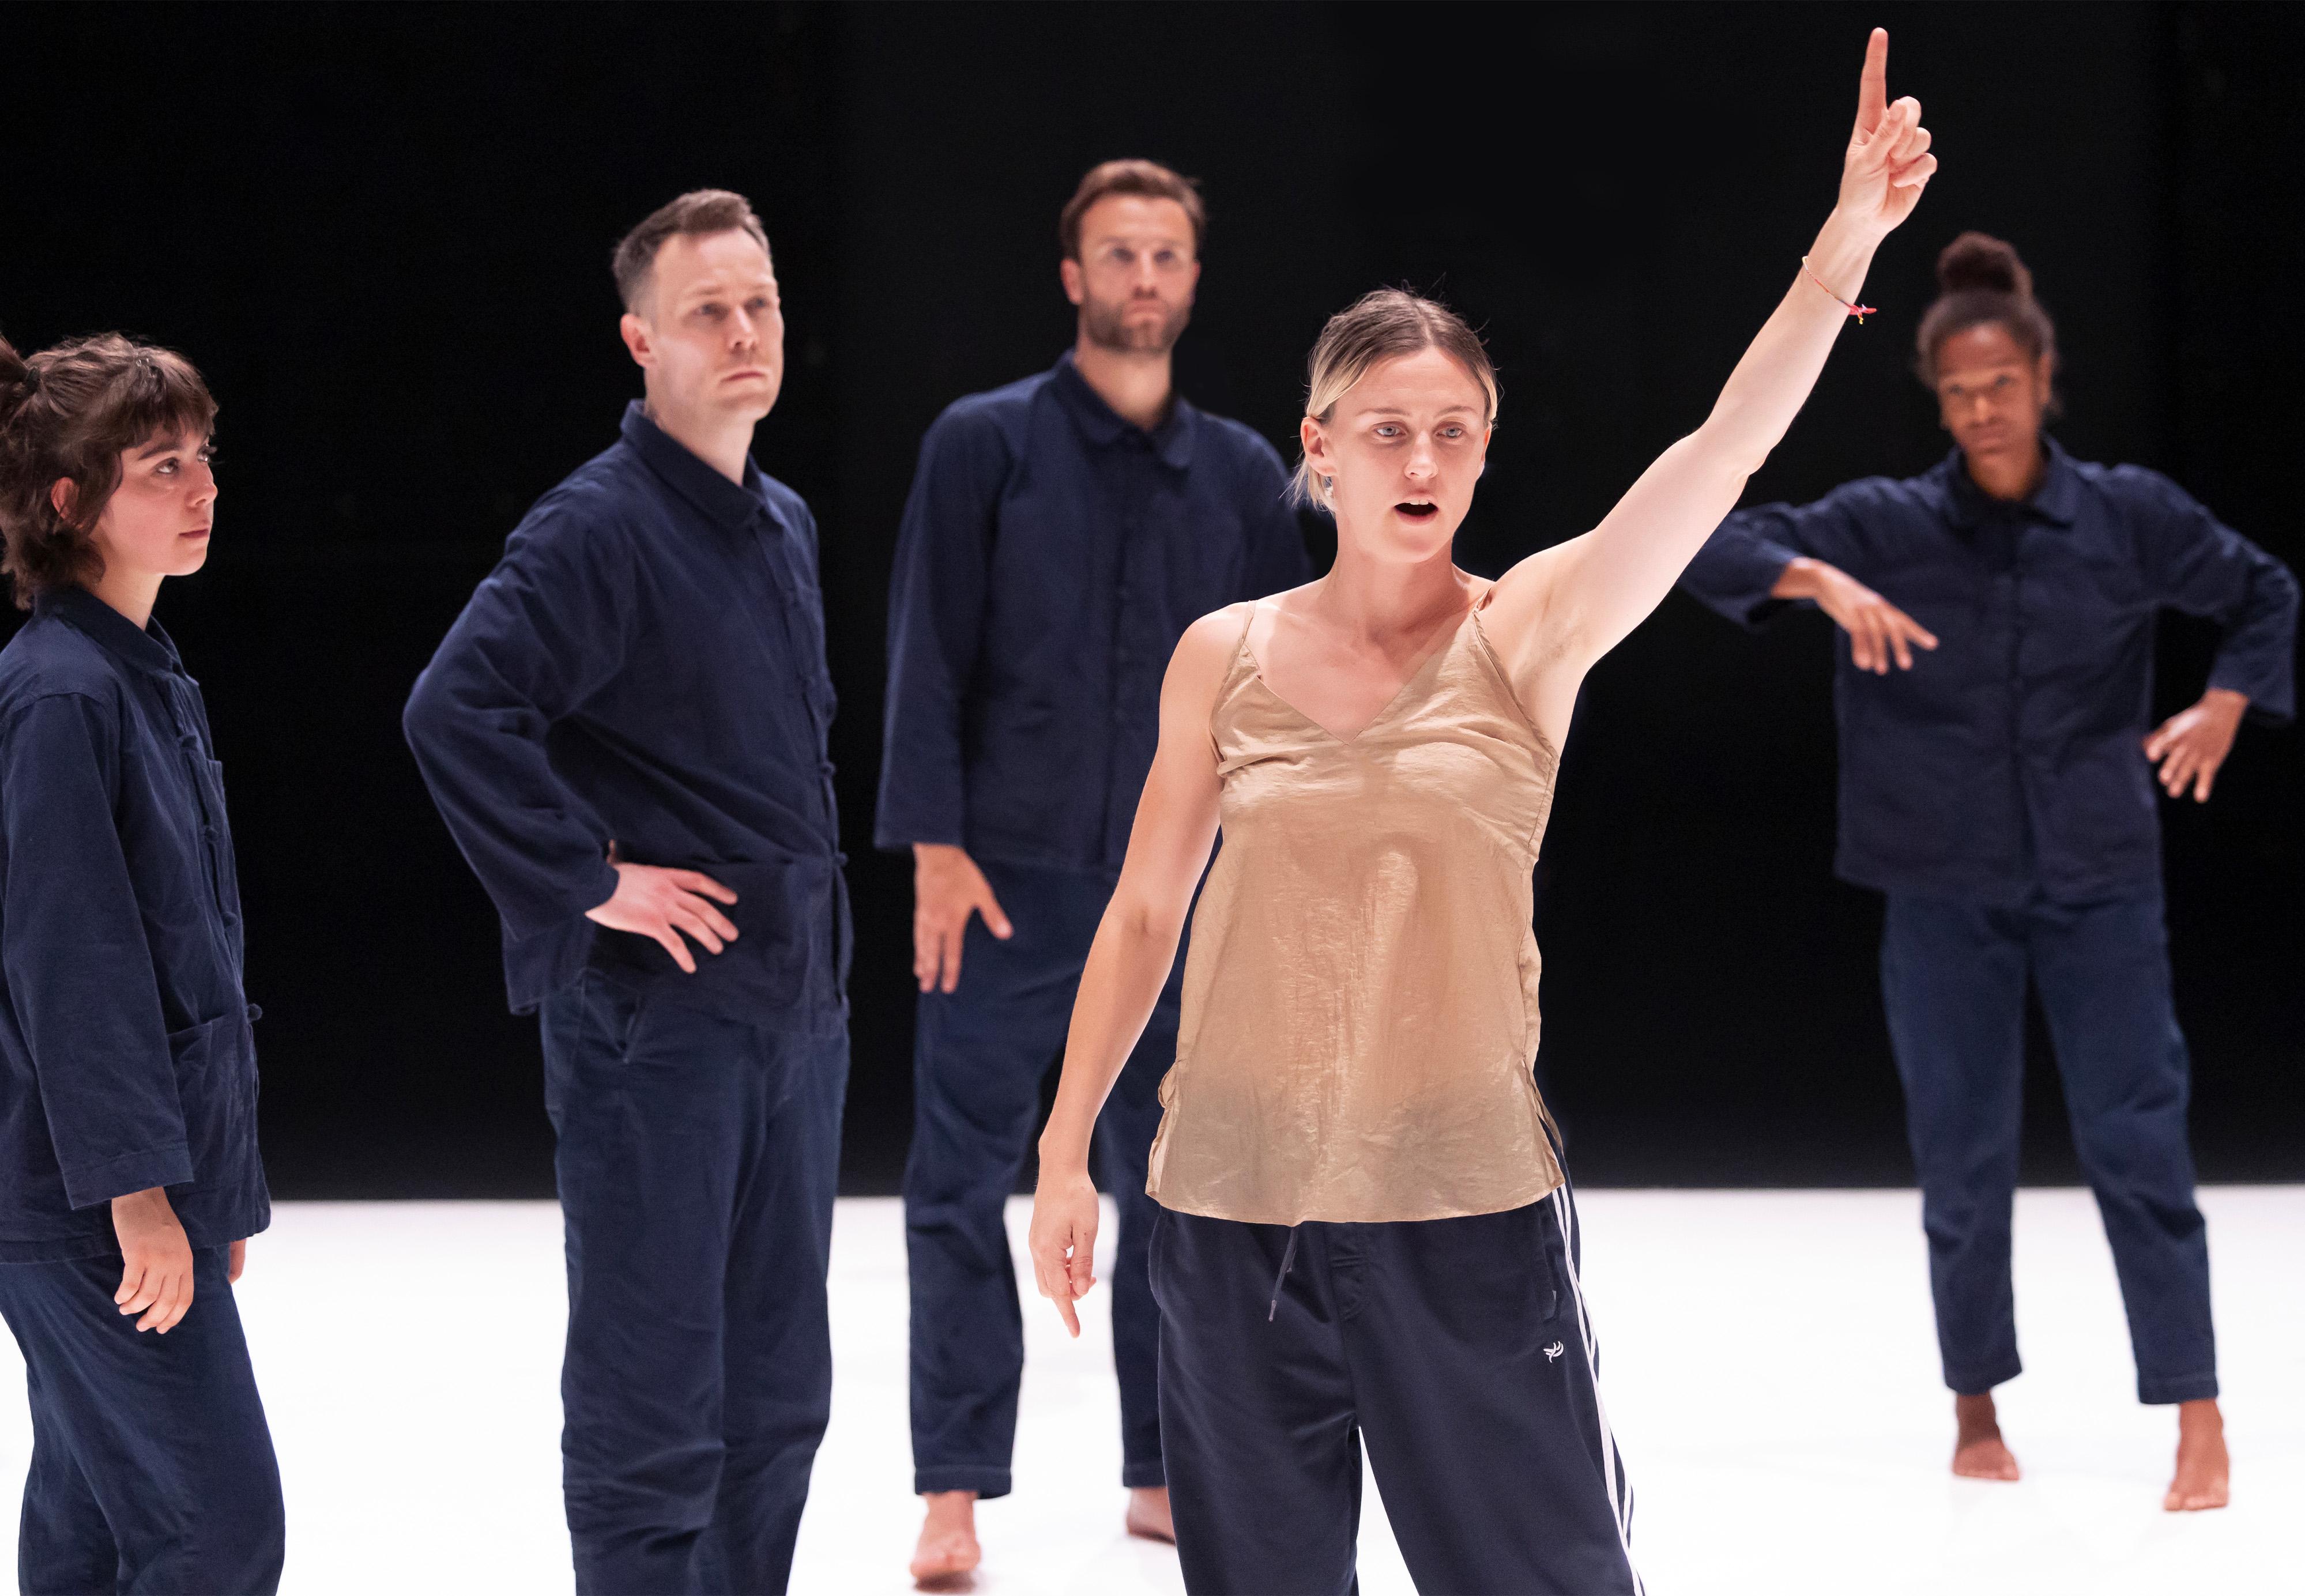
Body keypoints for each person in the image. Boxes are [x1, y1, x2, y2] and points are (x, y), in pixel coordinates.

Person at [1027, 31, 1934, 1594]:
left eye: (1452, 431)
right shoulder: (1221, 656)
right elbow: (1141, 912)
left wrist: (1838, 247)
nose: (1422, 458)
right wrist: (1058, 1152)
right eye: (1384, 427)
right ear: (1314, 449)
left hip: (1456, 1208)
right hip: (1230, 1212)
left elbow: (1721, 451)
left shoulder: (1529, 632)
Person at [1679, 232, 2296, 1511]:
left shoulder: (2126, 515)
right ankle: (1973, 1402)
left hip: (2096, 874)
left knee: (2139, 1139)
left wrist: (2228, 700)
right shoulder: (1891, 524)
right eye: (1957, 395)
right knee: (1961, 1154)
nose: (1979, 412)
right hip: (1939, 883)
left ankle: (2195, 1407)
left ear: (2041, 374)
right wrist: (1812, 580)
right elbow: (1698, 539)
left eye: (1999, 387)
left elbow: (2263, 592)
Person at [403, 190, 849, 1594]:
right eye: (707, 310)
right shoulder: (595, 527)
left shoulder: (781, 521)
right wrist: (587, 879)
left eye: (759, 304)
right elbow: (453, 708)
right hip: (660, 1027)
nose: (742, 331)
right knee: (655, 1399)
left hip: (790, 1009)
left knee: (777, 1392)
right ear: (640, 340)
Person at [877, 159, 1310, 1579]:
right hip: (1002, 884)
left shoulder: (1246, 473)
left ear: (1192, 279)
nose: (1141, 277)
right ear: (1073, 276)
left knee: (1173, 1188)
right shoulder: (983, 444)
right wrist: (932, 847)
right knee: (958, 1185)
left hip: (1178, 894)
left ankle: (1159, 1462)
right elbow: (927, 646)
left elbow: (1276, 677)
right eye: (1115, 254)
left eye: (1165, 255)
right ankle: (952, 1484)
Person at [0, 333, 285, 1591]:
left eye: (202, 455)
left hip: (101, 1190)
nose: (202, 485)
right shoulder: (63, 693)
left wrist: (206, 1180)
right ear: (70, 502)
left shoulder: (136, 673)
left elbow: (190, 959)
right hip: (78, 1202)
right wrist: (140, 1196)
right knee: (216, 1531)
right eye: (162, 464)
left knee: (101, 1527)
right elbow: (77, 968)